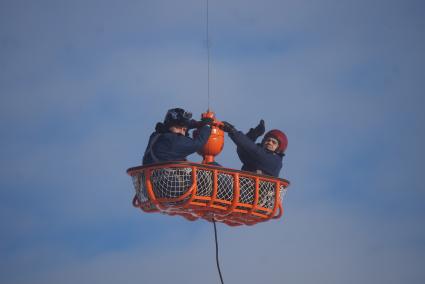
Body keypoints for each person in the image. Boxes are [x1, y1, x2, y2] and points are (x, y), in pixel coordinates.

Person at [142, 108, 212, 165]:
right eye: (178, 127)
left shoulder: (156, 135)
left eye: (184, 129)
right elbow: (197, 143)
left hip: (154, 176)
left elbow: (177, 128)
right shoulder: (174, 141)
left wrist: (196, 124)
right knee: (212, 166)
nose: (182, 132)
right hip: (170, 179)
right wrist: (207, 126)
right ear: (171, 125)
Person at [221, 120, 287, 177]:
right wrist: (255, 133)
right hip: (244, 186)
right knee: (213, 166)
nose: (270, 143)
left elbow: (254, 151)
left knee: (218, 177)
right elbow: (242, 149)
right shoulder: (255, 157)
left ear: (278, 149)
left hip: (258, 189)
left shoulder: (275, 161)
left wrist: (232, 131)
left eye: (274, 142)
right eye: (268, 140)